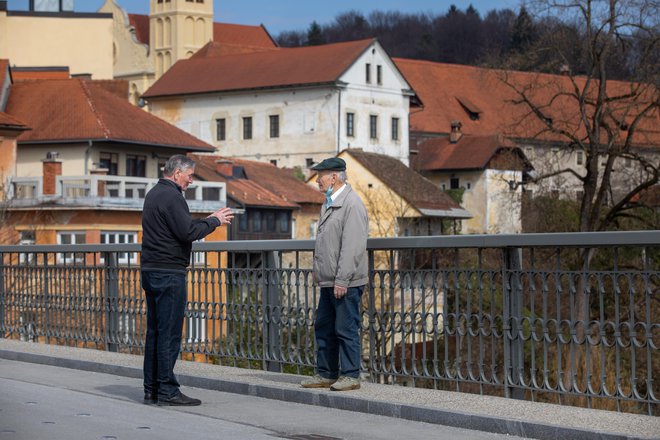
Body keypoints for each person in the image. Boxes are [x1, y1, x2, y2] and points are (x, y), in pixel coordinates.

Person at [140, 154, 233, 406]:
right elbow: (187, 232)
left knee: (155, 332)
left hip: (150, 270)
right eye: (190, 175)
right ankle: (168, 391)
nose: (191, 181)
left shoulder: (153, 194)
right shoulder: (172, 196)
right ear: (177, 173)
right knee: (169, 334)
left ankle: (151, 389)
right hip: (169, 273)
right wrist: (214, 221)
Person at [301, 157, 369, 391]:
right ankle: (326, 373)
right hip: (330, 280)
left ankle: (350, 375)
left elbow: (352, 247)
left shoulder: (352, 204)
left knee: (345, 328)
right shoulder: (330, 202)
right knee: (324, 326)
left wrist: (342, 279)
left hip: (345, 282)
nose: (317, 179)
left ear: (335, 177)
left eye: (321, 175)